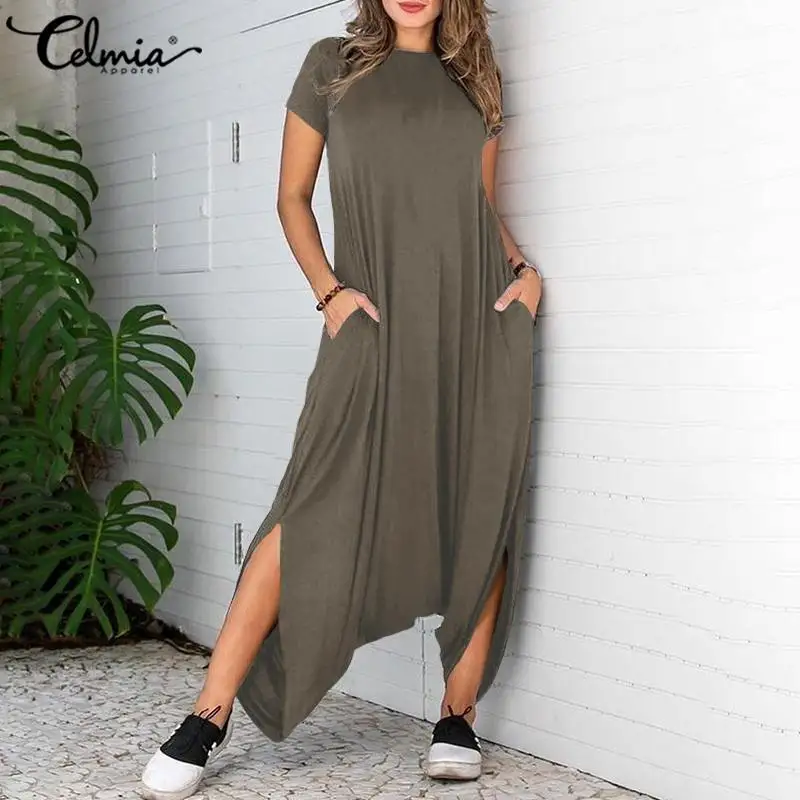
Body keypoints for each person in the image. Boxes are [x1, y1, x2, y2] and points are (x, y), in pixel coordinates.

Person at [141, 1, 542, 798]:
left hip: (475, 323)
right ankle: (206, 716)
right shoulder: (333, 64)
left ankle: (456, 717)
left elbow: (480, 204)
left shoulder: (477, 76)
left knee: (481, 504)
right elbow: (292, 196)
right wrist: (330, 294)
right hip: (374, 321)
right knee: (309, 507)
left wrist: (524, 275)